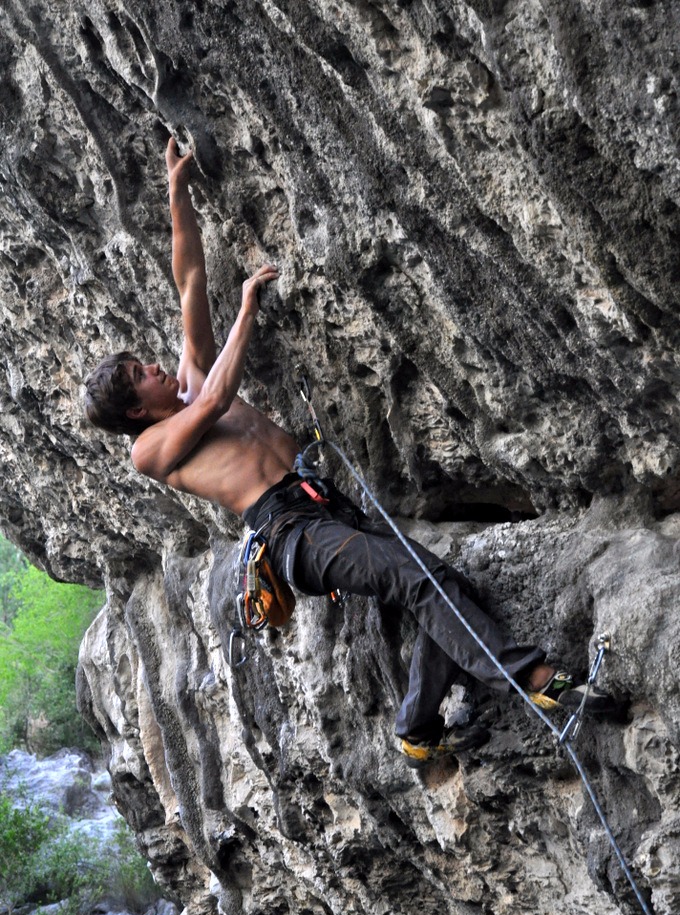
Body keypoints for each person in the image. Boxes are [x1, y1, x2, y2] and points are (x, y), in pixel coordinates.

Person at [85, 139, 612, 767]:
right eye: (141, 372)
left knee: (440, 580)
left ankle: (417, 728)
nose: (154, 365)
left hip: (323, 506)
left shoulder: (189, 375)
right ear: (137, 409)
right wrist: (247, 309)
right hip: (292, 535)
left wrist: (176, 191)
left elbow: (189, 277)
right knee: (419, 580)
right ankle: (536, 682)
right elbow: (216, 400)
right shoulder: (150, 448)